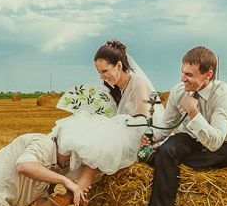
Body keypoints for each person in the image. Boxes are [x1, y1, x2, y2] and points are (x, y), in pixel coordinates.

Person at [140, 45, 227, 206]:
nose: (183, 79)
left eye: (189, 75)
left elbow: (216, 141)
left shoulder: (223, 94)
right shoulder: (178, 91)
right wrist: (152, 138)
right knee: (168, 149)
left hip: (215, 144)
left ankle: (166, 163)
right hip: (189, 139)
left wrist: (193, 112)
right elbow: (167, 125)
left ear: (208, 75)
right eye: (182, 73)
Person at [50, 40, 163, 196]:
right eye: (99, 72)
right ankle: (54, 178)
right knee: (81, 128)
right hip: (124, 132)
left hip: (140, 135)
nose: (102, 77)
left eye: (105, 71)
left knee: (102, 143)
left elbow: (143, 120)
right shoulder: (112, 88)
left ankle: (77, 190)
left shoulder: (138, 83)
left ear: (119, 65)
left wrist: (112, 124)